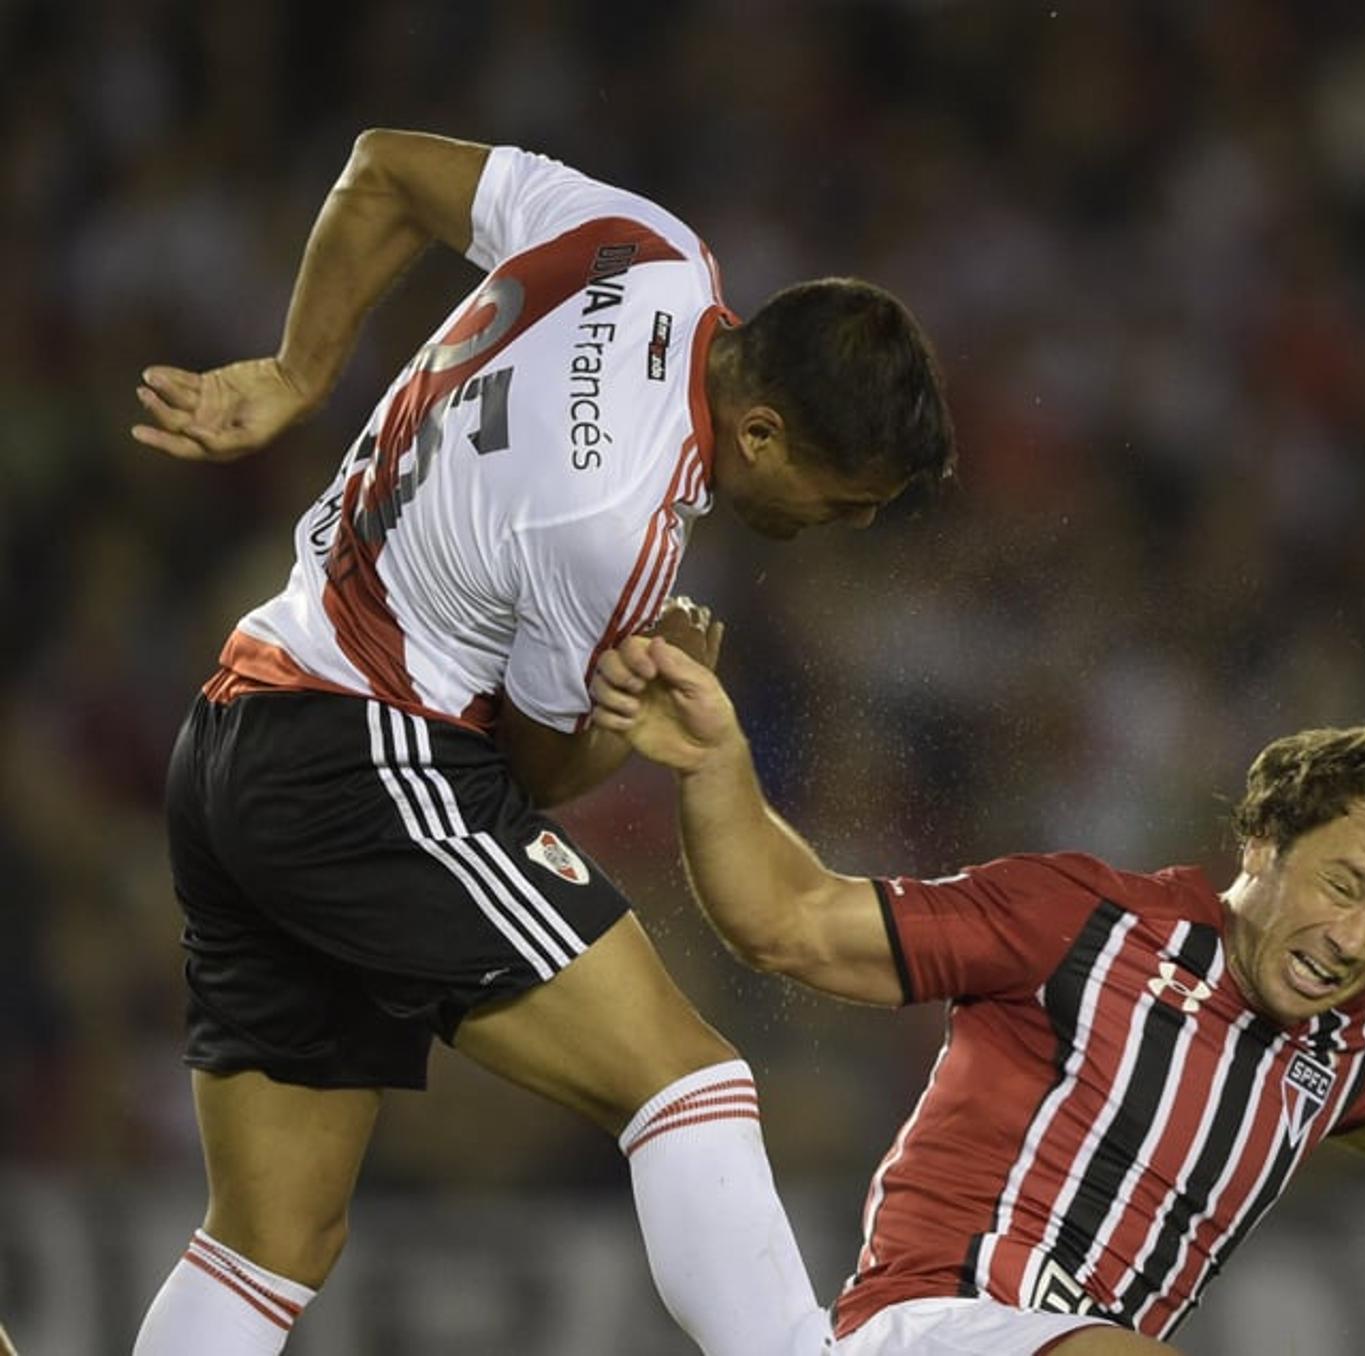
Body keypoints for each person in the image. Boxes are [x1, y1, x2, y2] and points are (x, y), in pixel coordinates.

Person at [128, 128, 954, 1356]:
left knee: (270, 1241)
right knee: (689, 1084)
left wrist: (303, 373)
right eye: (843, 502)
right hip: (364, 760)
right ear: (768, 431)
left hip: (245, 721)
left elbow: (385, 169)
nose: (838, 527)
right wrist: (634, 716)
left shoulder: (649, 250)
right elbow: (527, 776)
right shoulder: (611, 519)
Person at [591, 622, 1365, 1356]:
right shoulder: (1083, 923)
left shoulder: (1331, 1052)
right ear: (1263, 844)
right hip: (937, 1328)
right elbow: (792, 926)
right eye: (1343, 883)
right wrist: (716, 768)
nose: (1354, 937)